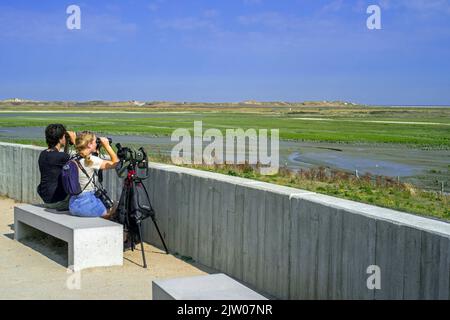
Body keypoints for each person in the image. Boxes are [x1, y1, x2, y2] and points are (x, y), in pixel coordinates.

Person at [69, 131, 119, 219]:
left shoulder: (73, 157)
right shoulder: (91, 160)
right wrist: (107, 145)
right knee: (116, 206)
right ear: (89, 144)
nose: (97, 143)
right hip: (86, 204)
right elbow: (115, 163)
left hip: (73, 204)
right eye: (95, 142)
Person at [37, 124, 76, 211]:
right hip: (57, 200)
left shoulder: (43, 154)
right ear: (60, 139)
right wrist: (74, 141)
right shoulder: (60, 157)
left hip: (46, 197)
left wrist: (67, 144)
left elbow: (64, 157)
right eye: (64, 136)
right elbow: (81, 161)